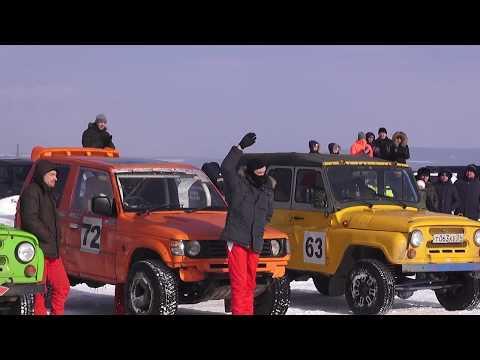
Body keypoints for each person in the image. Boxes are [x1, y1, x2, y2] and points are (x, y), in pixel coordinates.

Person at [221, 132, 275, 315]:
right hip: (237, 240)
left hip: (254, 243)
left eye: (264, 169)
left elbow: (268, 214)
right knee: (239, 283)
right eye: (258, 169)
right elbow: (226, 168)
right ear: (251, 171)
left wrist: (259, 229)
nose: (261, 172)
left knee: (250, 283)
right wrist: (240, 148)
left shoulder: (267, 190)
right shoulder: (239, 185)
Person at [19, 160, 70, 315]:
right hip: (38, 251)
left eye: (56, 175)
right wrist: (48, 236)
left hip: (52, 252)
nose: (56, 178)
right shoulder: (31, 192)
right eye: (52, 175)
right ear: (43, 175)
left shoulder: (48, 193)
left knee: (62, 287)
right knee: (38, 290)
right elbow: (30, 219)